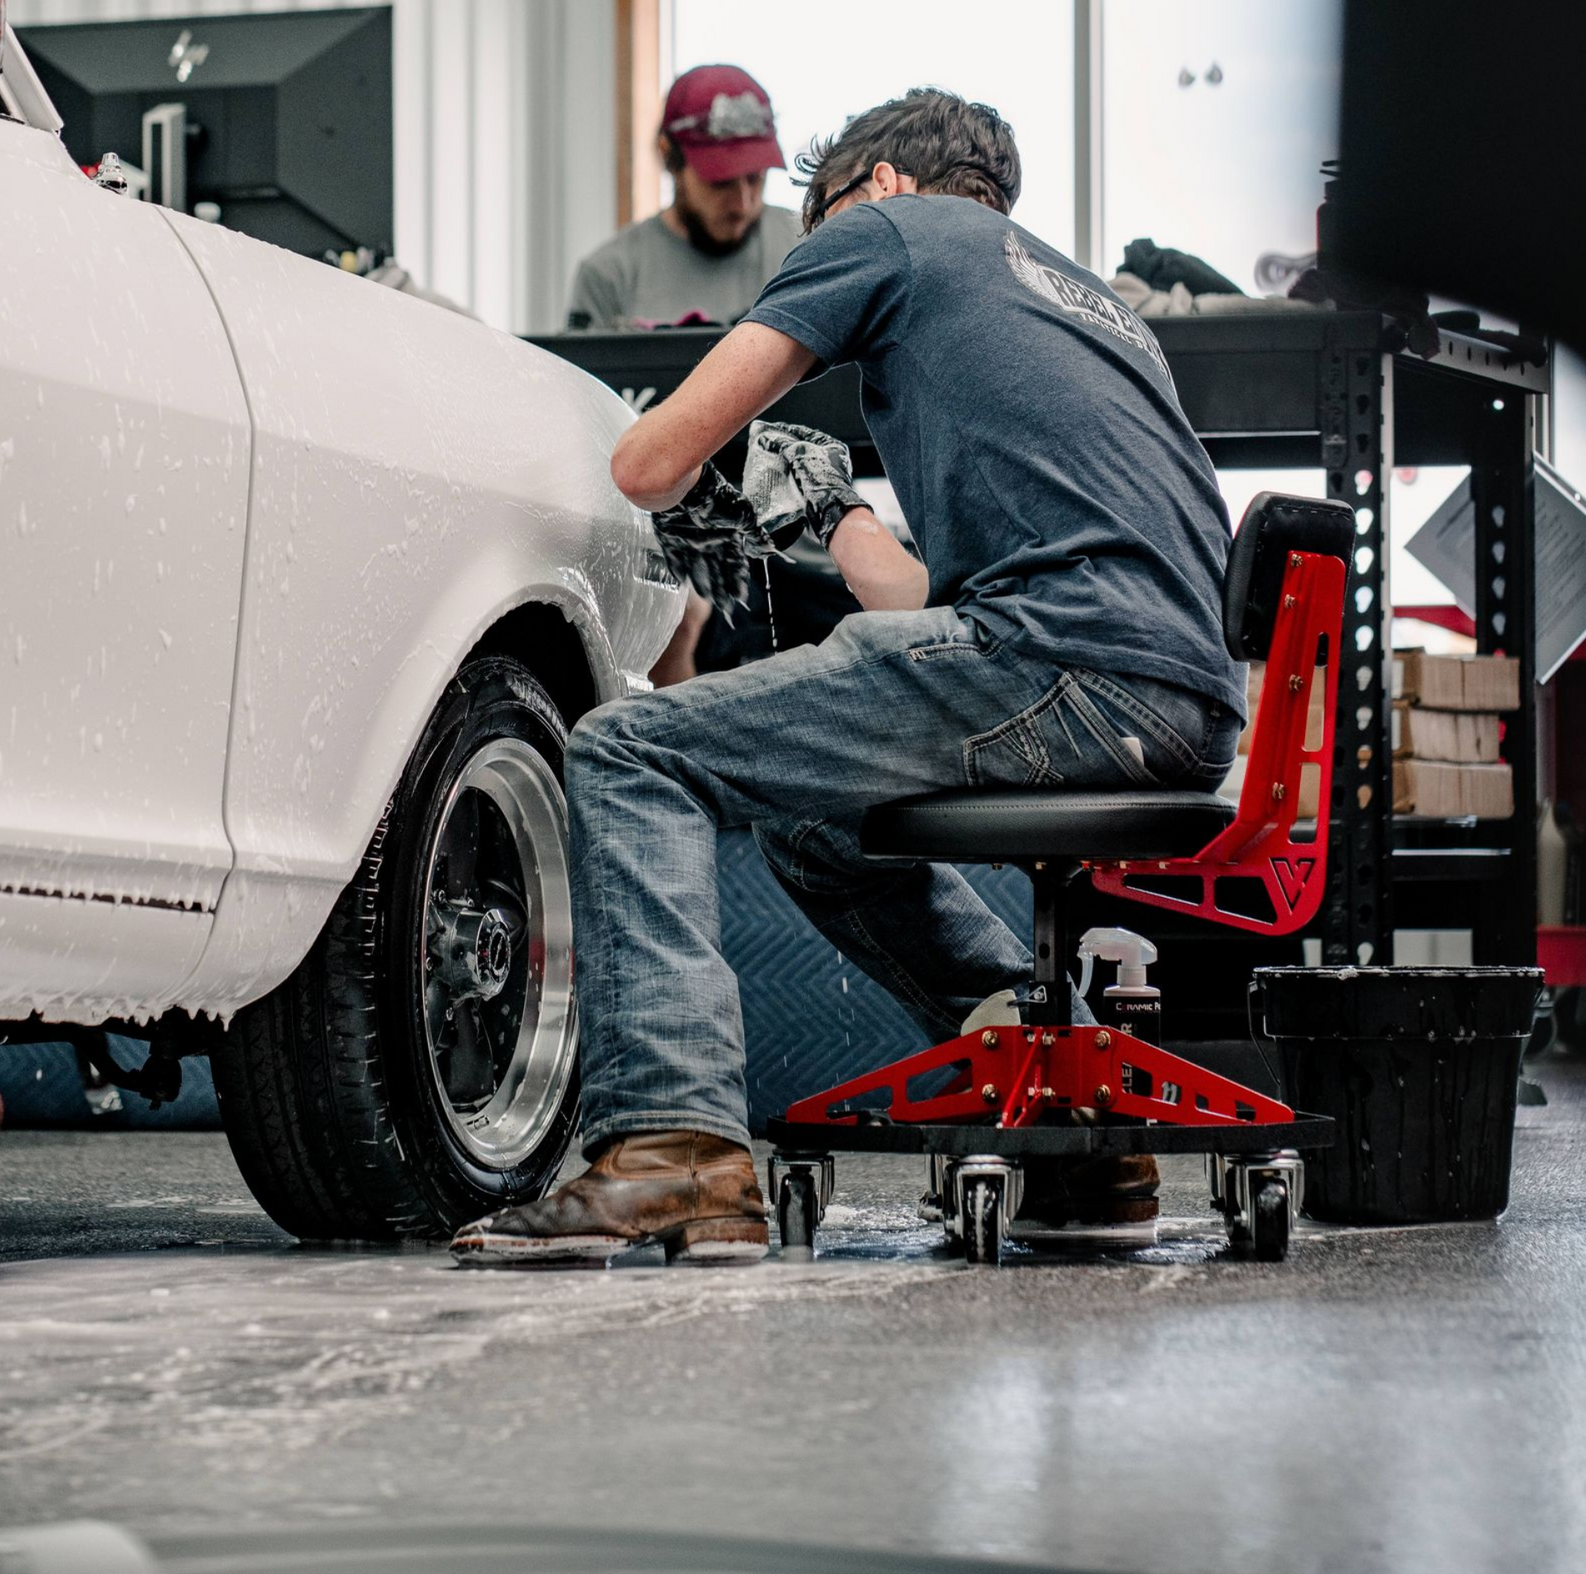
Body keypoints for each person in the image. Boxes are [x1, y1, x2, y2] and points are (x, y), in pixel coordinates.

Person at [455, 87, 1245, 1266]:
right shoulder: (1084, 305)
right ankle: (1077, 1127)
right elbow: (923, 605)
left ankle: (673, 1149)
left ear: (876, 188)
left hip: (1057, 669)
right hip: (1175, 709)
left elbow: (649, 459)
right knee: (816, 827)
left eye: (816, 221)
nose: (812, 249)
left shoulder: (889, 232)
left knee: (629, 750)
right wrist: (831, 513)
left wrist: (704, 470)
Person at [565, 64, 803, 332]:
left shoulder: (807, 252)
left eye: (755, 178)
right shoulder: (609, 277)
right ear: (668, 155)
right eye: (720, 183)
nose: (743, 203)